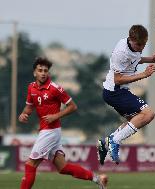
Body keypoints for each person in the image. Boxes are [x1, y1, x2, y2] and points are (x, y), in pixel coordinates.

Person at [18, 57, 108, 189]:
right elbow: (29, 106)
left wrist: (56, 116)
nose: (43, 73)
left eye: (45, 70)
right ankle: (98, 179)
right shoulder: (31, 87)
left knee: (30, 164)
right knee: (63, 167)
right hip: (46, 131)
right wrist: (23, 114)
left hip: (51, 131)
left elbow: (72, 106)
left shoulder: (55, 89)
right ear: (34, 73)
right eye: (40, 70)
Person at [97, 24, 155, 165]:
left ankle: (106, 142)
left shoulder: (132, 46)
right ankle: (115, 141)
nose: (141, 48)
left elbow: (134, 58)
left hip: (118, 91)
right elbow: (118, 79)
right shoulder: (121, 52)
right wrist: (144, 74)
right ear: (130, 39)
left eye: (144, 44)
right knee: (148, 114)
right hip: (115, 91)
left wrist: (152, 59)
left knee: (134, 121)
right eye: (139, 44)